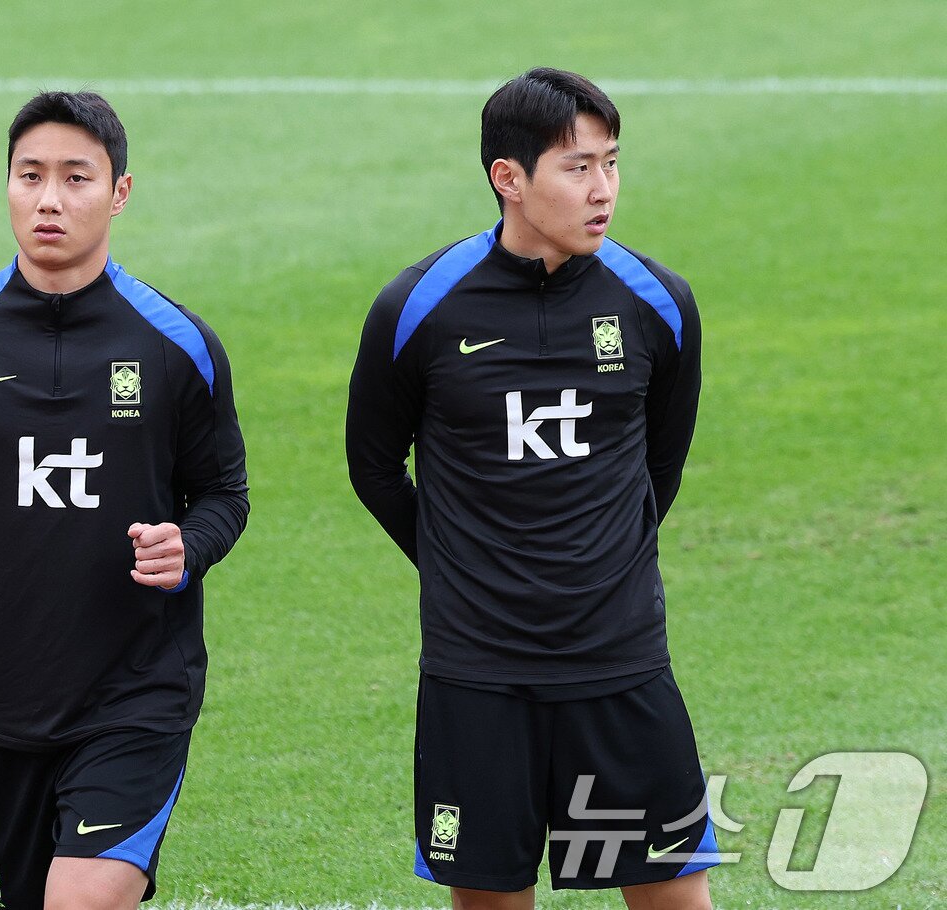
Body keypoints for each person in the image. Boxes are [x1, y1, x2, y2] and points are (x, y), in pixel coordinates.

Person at [0, 90, 249, 910]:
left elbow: (223, 494)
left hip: (137, 694)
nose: (49, 199)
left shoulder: (176, 345)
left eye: (75, 177)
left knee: (81, 900)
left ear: (119, 192)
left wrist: (188, 546)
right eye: (30, 176)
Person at [346, 67, 716, 909]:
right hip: (477, 672)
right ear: (507, 178)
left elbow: (659, 467)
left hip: (620, 663)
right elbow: (373, 466)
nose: (603, 189)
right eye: (577, 167)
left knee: (673, 893)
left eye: (611, 163)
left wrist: (602, 561)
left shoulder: (658, 303)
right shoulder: (419, 306)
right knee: (490, 897)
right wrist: (457, 562)